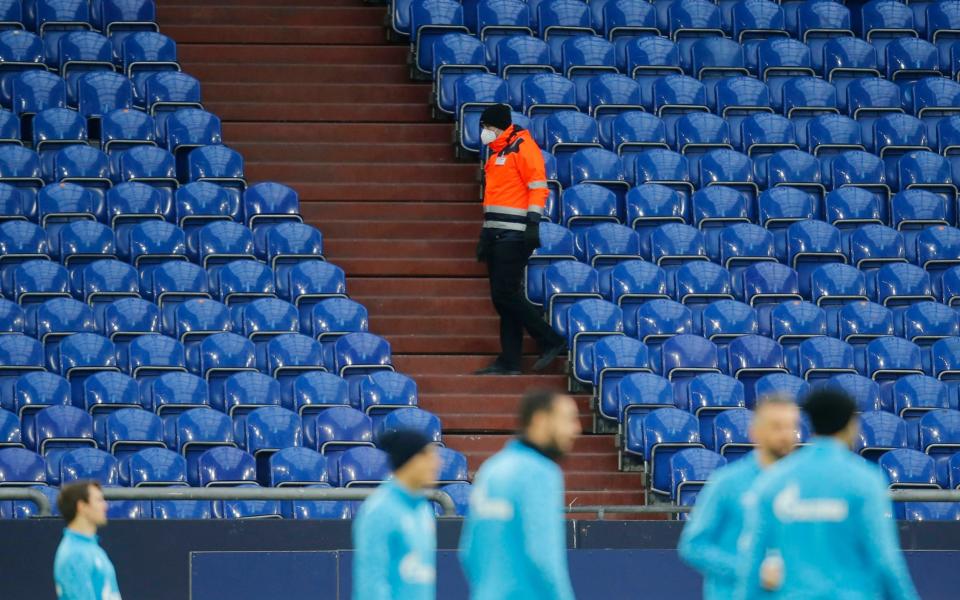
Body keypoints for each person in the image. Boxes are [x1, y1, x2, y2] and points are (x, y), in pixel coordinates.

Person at [735, 389, 920, 600]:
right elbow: (885, 559)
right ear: (851, 425)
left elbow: (753, 558)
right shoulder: (865, 480)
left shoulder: (774, 480)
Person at [459, 389, 581, 599]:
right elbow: (543, 556)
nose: (576, 429)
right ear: (540, 420)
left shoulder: (491, 469)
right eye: (569, 419)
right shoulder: (542, 473)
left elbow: (468, 551)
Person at [474, 103, 566, 376]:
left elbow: (538, 187)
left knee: (506, 293)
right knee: (501, 299)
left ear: (499, 127)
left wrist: (533, 224)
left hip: (515, 234)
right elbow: (496, 198)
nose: (484, 132)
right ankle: (510, 361)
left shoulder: (522, 147)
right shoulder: (497, 151)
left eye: (488, 127)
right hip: (497, 233)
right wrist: (486, 233)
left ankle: (550, 339)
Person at [678, 396, 800, 600]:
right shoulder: (727, 483)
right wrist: (750, 569)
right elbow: (693, 546)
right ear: (755, 432)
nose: (786, 435)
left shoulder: (801, 484)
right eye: (777, 427)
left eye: (791, 427)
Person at [352, 430, 441, 600]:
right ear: (411, 460)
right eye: (429, 457)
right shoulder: (380, 510)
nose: (437, 463)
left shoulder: (424, 510)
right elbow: (371, 581)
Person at [53, 480, 122, 600]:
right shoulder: (74, 554)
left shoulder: (91, 548)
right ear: (82, 506)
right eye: (99, 500)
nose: (105, 506)